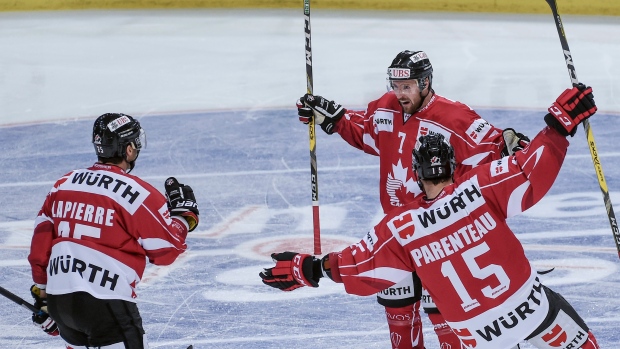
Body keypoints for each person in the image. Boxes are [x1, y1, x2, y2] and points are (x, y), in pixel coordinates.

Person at [262, 84, 599, 349]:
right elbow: (529, 172)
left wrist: (310, 268)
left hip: (477, 335)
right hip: (528, 308)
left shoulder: (400, 227)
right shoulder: (480, 187)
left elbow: (357, 265)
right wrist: (558, 127)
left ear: (415, 174)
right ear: (454, 165)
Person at [296, 50, 529, 349]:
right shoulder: (385, 107)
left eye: (407, 87)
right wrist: (335, 119)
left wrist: (513, 145)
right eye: (395, 86)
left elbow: (495, 147)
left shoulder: (455, 116)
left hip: (438, 234)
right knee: (399, 320)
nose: (400, 93)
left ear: (426, 81)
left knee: (447, 322)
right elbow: (367, 130)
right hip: (399, 233)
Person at [28, 113, 200, 349]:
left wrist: (45, 294)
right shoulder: (137, 193)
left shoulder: (63, 184)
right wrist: (183, 217)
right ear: (128, 149)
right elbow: (166, 251)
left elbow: (40, 249)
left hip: (62, 302)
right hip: (106, 303)